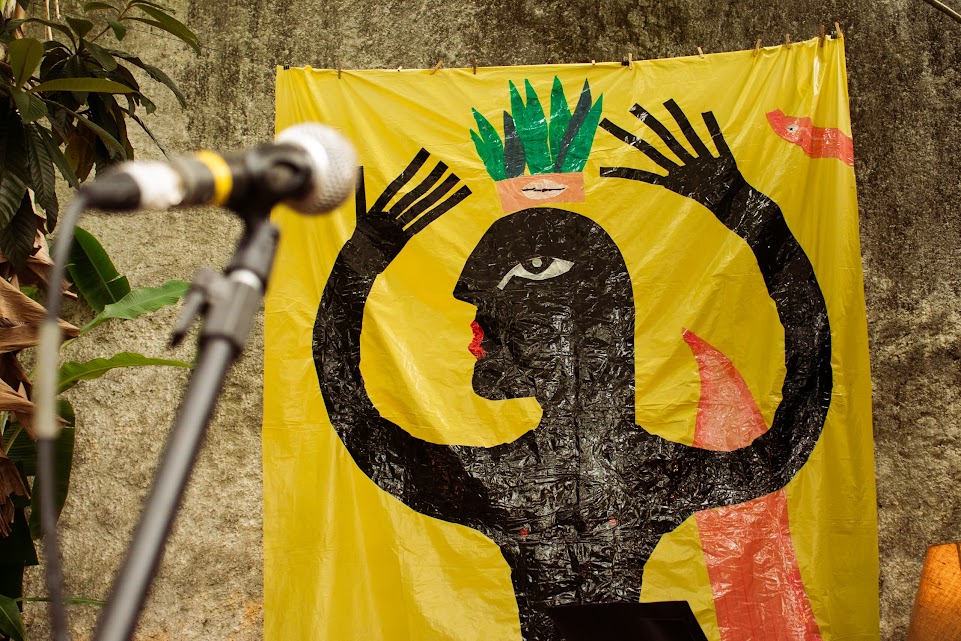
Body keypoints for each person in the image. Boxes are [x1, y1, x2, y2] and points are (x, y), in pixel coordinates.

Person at [312, 101, 832, 641]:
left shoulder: (533, 479)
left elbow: (359, 420)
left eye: (491, 311)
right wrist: (742, 208)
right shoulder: (620, 475)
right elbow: (796, 416)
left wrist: (359, 266)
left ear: (570, 321)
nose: (475, 337)